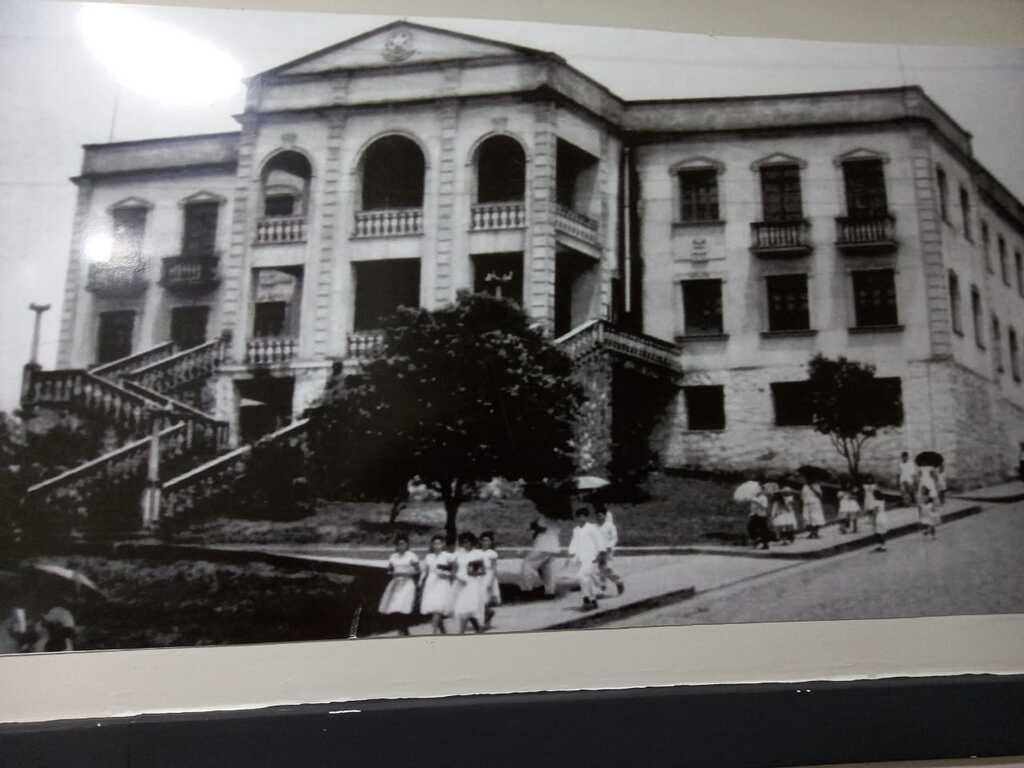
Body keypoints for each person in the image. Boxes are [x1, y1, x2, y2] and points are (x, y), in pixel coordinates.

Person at [378, 535, 420, 635]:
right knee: (395, 607)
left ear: (407, 545)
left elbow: (417, 570)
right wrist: (392, 573)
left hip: (407, 583)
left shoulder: (411, 556)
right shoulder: (393, 556)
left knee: (404, 606)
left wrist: (405, 573)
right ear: (396, 545)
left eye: (403, 544)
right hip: (396, 583)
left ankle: (403, 629)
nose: (401, 546)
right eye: (399, 544)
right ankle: (403, 629)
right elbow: (389, 570)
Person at [568, 507, 607, 611]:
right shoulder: (576, 530)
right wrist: (572, 553)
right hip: (581, 558)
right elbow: (574, 543)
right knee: (586, 580)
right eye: (579, 517)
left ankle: (586, 600)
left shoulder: (592, 528)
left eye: (583, 516)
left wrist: (600, 554)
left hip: (591, 557)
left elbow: (599, 541)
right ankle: (593, 601)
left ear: (586, 517)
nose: (581, 518)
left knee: (582, 576)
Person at [520, 511, 562, 598]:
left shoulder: (543, 518)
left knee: (527, 564)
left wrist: (533, 525)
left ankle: (527, 590)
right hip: (554, 548)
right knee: (548, 570)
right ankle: (550, 592)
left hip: (542, 546)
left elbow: (541, 528)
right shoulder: (557, 521)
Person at [419, 534, 455, 635]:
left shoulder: (448, 556)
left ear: (443, 544)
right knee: (433, 608)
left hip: (442, 584)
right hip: (431, 583)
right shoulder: (428, 556)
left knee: (438, 609)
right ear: (432, 545)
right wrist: (420, 582)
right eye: (435, 543)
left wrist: (446, 574)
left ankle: (433, 632)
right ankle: (444, 632)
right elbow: (424, 571)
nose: (437, 545)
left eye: (439, 543)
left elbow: (453, 571)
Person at [451, 532, 487, 634]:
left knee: (469, 608)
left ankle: (461, 633)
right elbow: (453, 569)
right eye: (463, 542)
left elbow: (483, 571)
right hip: (461, 583)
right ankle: (479, 631)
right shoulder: (458, 553)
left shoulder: (478, 553)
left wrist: (473, 572)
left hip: (473, 584)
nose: (466, 544)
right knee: (464, 609)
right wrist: (457, 577)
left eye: (468, 542)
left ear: (472, 542)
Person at [595, 504, 625, 595]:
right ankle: (602, 586)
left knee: (607, 567)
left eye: (600, 516)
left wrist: (609, 546)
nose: (599, 518)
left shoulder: (610, 526)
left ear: (604, 516)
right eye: (597, 516)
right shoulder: (595, 526)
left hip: (608, 550)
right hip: (599, 550)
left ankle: (618, 581)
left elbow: (614, 538)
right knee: (600, 568)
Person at [479, 531, 501, 630]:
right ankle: (488, 615)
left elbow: (494, 569)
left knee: (485, 599)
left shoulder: (492, 553)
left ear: (491, 542)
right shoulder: (478, 552)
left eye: (487, 541)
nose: (485, 542)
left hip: (489, 576)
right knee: (479, 599)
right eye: (483, 540)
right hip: (479, 576)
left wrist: (491, 582)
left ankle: (486, 622)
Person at [862, 481, 888, 552]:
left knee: (877, 533)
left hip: (878, 518)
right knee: (881, 532)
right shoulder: (882, 501)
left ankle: (882, 546)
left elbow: (874, 512)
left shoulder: (875, 502)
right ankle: (882, 545)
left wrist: (872, 520)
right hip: (883, 516)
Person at [746, 481, 771, 550]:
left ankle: (765, 544)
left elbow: (764, 507)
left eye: (759, 489)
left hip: (761, 515)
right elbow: (752, 507)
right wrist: (751, 512)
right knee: (750, 528)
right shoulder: (753, 497)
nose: (757, 491)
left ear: (762, 490)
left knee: (763, 529)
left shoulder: (764, 497)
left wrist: (757, 502)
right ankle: (756, 540)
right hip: (754, 514)